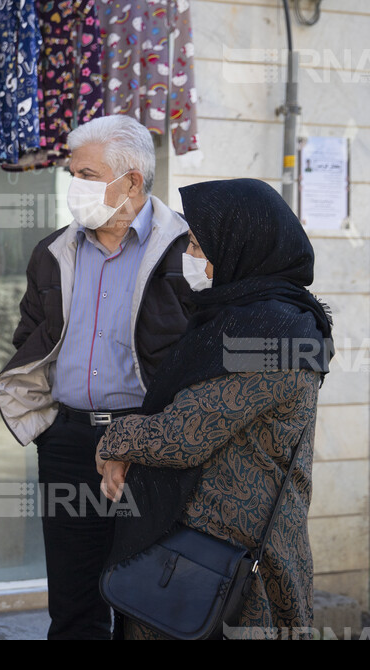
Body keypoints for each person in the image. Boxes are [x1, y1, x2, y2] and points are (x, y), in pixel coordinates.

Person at [95, 178, 333, 640]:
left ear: (241, 246)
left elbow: (184, 435)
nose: (193, 259)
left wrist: (115, 440)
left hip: (233, 566)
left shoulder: (277, 335)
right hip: (195, 551)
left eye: (202, 247)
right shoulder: (233, 316)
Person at [0, 114, 192, 639]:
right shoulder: (53, 252)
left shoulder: (183, 251)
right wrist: (49, 425)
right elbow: (31, 337)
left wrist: (157, 434)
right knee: (73, 600)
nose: (74, 185)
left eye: (86, 173)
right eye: (71, 172)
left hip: (150, 443)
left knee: (146, 596)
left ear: (130, 181)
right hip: (68, 441)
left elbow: (198, 355)